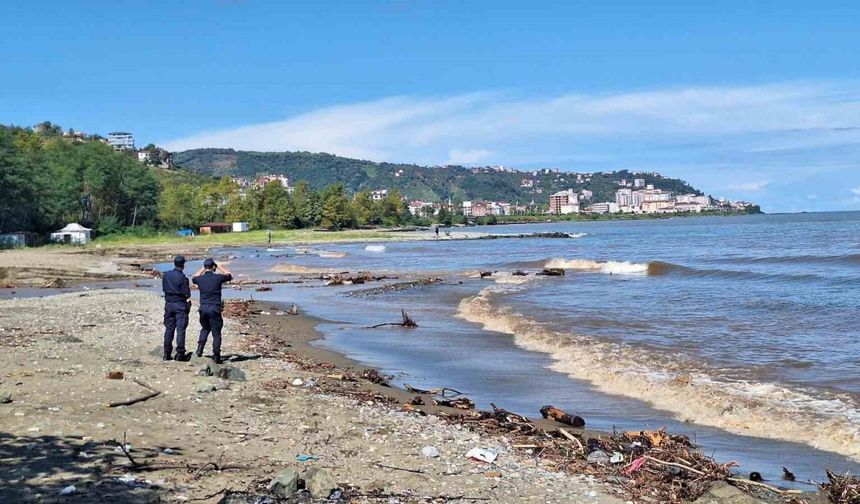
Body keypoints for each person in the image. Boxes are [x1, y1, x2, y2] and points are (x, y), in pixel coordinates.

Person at [192, 258, 233, 363]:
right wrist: (219, 266)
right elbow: (229, 275)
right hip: (214, 308)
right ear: (213, 267)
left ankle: (200, 349)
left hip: (203, 307)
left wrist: (203, 268)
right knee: (216, 333)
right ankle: (216, 355)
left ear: (205, 268)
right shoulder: (218, 278)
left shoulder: (200, 279)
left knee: (205, 329)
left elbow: (194, 277)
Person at [162, 256, 191, 361]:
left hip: (169, 304)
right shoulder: (183, 277)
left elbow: (164, 288)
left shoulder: (166, 275)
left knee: (169, 329)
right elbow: (187, 294)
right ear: (183, 265)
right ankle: (180, 353)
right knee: (180, 329)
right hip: (179, 304)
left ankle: (166, 353)